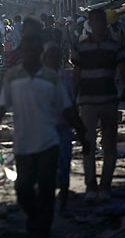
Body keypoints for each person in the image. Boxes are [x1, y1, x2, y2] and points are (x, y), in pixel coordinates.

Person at [0, 36, 88, 236]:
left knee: (46, 187)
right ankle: (36, 217)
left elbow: (68, 109)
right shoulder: (12, 76)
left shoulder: (52, 78)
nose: (31, 55)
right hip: (23, 143)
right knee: (24, 188)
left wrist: (82, 135)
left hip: (48, 141)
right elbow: (2, 105)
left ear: (39, 54)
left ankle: (43, 226)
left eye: (34, 51)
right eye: (27, 51)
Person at [72, 9, 125, 201]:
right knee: (88, 145)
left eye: (100, 21)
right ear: (90, 23)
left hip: (108, 100)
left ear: (104, 22)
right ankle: (91, 185)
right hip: (88, 102)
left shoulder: (115, 46)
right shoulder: (81, 48)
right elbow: (77, 74)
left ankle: (105, 185)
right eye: (94, 21)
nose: (97, 24)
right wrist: (72, 99)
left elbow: (123, 70)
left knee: (109, 146)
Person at [42, 42, 82, 211]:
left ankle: (61, 200)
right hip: (50, 129)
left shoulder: (59, 77)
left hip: (59, 128)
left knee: (61, 166)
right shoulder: (43, 78)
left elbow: (71, 104)